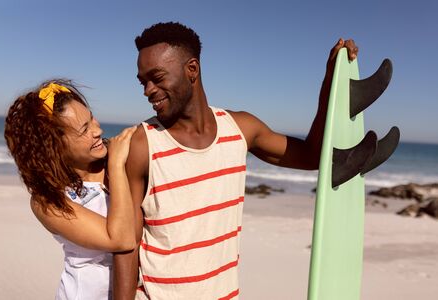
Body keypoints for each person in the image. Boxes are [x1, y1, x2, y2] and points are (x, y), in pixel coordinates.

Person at [113, 22, 359, 299]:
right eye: (143, 81)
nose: (148, 90)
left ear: (191, 70)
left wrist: (332, 82)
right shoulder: (143, 144)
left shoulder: (240, 129)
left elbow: (313, 156)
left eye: (157, 77)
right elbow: (126, 243)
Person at [4, 79, 137, 299]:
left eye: (91, 118)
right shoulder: (47, 201)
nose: (98, 130)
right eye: (84, 129)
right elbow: (121, 239)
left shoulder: (112, 152)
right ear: (55, 145)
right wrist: (116, 165)